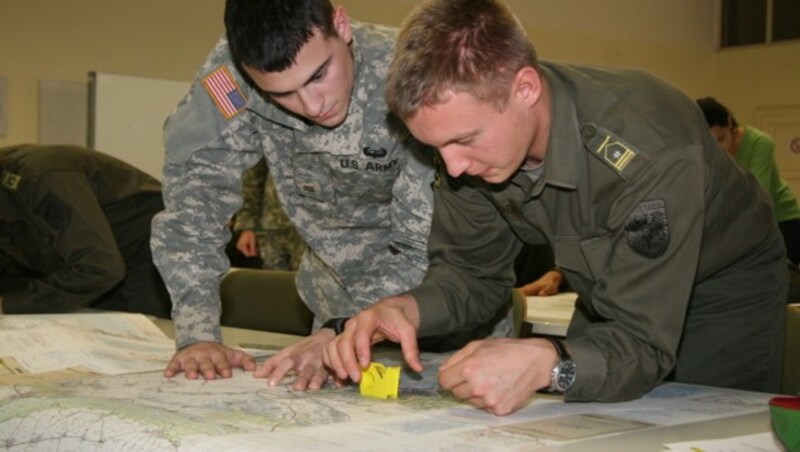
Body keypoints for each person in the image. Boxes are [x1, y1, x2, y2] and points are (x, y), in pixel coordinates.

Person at [324, 0, 787, 416]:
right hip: (610, 288)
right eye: (436, 148)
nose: (453, 167)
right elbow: (472, 274)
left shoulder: (646, 147)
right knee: (590, 422)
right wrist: (408, 308)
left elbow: (642, 340)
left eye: (464, 140)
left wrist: (550, 361)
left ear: (525, 88)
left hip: (721, 287)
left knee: (706, 427)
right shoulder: (470, 152)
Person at [151, 0, 513, 386]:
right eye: (282, 94)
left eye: (319, 74)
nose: (311, 105)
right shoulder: (232, 83)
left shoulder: (412, 74)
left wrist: (341, 331)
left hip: (444, 316)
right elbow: (193, 208)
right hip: (332, 319)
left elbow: (424, 240)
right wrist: (198, 334)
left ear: (341, 25)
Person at [0, 144, 171, 318]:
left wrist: (9, 304)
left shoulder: (43, 179)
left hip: (146, 253)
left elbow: (99, 267)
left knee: (132, 334)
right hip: (104, 264)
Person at [697, 96, 800, 266]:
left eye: (720, 139)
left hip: (783, 219)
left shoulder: (760, 142)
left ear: (729, 123)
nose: (717, 150)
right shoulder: (708, 153)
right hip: (743, 220)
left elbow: (758, 195)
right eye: (710, 144)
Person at [233, 158, 306, 271]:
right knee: (273, 284)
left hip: (316, 228)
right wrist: (247, 226)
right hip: (274, 225)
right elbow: (253, 177)